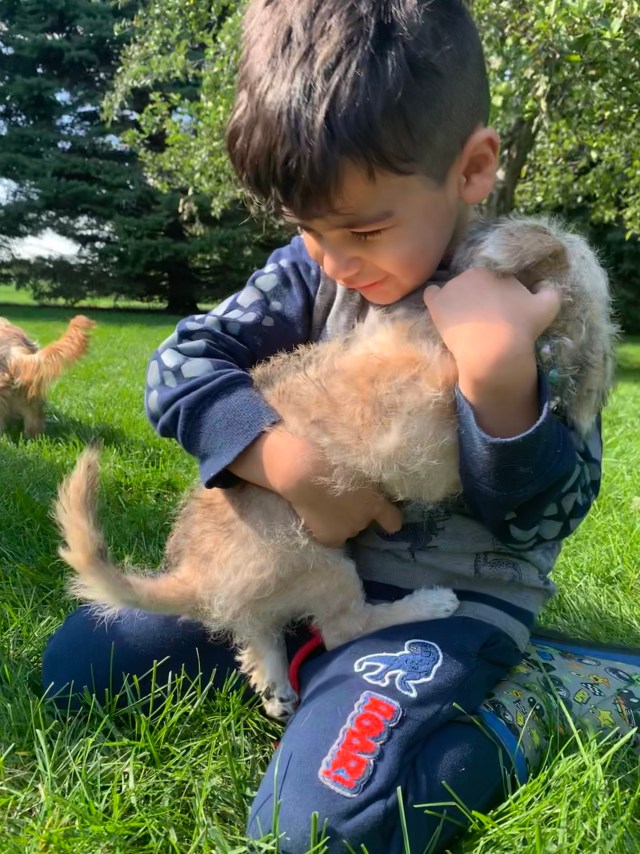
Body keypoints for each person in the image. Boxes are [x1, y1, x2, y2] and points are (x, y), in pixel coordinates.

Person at [41, 1, 632, 851]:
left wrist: (499, 383)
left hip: (444, 606)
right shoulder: (313, 270)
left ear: (472, 168)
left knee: (321, 830)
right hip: (290, 578)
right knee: (80, 663)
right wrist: (285, 463)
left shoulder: (538, 291)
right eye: (306, 228)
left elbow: (549, 512)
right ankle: (322, 671)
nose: (335, 259)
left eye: (363, 228)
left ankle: (543, 698)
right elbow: (180, 366)